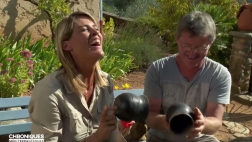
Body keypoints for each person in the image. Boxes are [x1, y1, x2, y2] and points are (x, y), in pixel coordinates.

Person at [28, 11, 130, 142]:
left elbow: (111, 134)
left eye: (95, 28)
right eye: (84, 30)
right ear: (66, 46)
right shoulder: (48, 91)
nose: (96, 33)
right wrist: (97, 137)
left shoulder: (105, 82)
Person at [144, 11, 231, 142]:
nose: (192, 52)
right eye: (186, 45)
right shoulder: (158, 69)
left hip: (199, 138)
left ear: (210, 44)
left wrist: (202, 124)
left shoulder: (219, 74)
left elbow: (216, 120)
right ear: (177, 39)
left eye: (201, 47)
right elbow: (150, 115)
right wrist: (169, 122)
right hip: (161, 136)